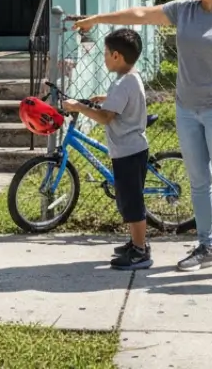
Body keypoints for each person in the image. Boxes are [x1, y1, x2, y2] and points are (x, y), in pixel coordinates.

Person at [70, 0, 212, 284]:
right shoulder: (183, 11)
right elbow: (140, 13)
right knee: (199, 182)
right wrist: (98, 19)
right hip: (187, 112)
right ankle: (206, 246)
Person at [63, 28, 151, 269]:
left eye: (105, 53)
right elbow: (119, 101)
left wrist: (78, 106)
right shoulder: (129, 78)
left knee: (132, 203)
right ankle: (136, 243)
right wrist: (107, 96)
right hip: (129, 150)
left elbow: (105, 118)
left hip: (129, 151)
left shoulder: (124, 83)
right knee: (127, 199)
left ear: (116, 56)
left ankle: (141, 252)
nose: (103, 57)